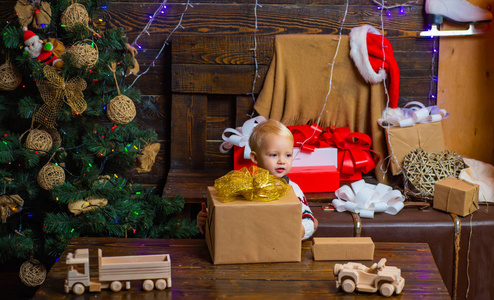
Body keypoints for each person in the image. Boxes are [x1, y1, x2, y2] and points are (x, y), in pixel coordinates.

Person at [197, 119, 318, 240]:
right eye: (274, 155)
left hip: (281, 242)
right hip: (249, 241)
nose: (282, 161)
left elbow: (308, 218)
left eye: (288, 155)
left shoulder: (293, 189)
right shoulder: (246, 185)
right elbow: (228, 207)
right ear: (255, 157)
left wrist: (302, 230)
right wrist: (208, 217)